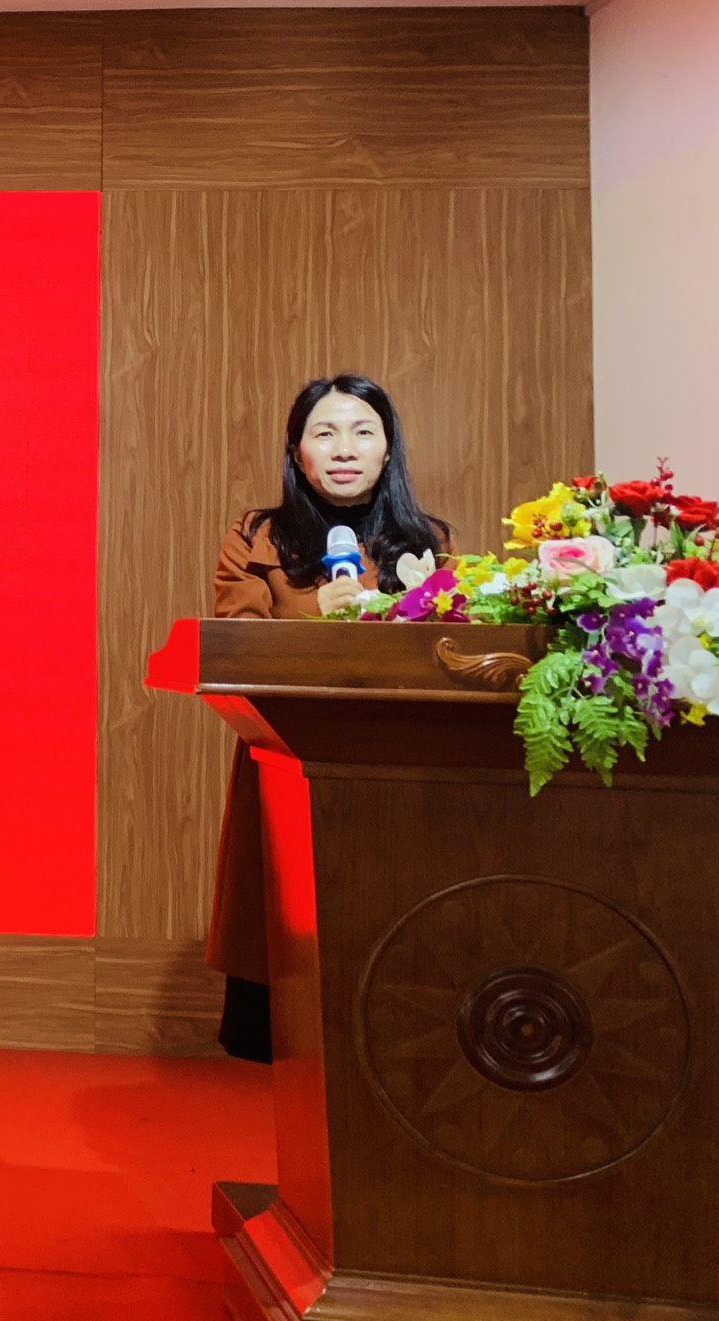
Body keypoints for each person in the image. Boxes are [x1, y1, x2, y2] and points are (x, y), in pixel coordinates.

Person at [208, 375, 451, 1062]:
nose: (345, 448)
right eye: (325, 432)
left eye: (363, 431)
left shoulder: (427, 542)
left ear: (387, 449)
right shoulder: (257, 536)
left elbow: (449, 650)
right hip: (288, 762)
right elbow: (236, 645)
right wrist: (317, 615)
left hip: (398, 770)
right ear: (298, 451)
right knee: (288, 946)